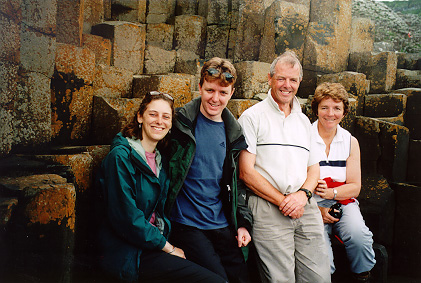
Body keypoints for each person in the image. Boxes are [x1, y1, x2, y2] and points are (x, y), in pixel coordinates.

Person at [96, 91, 226, 282]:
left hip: (154, 243)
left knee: (218, 273)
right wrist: (169, 248)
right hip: (130, 253)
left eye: (166, 117)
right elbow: (127, 218)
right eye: (153, 114)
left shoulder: (160, 160)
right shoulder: (121, 157)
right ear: (140, 116)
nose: (159, 121)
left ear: (171, 123)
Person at [238, 51, 331, 283]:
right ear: (269, 79)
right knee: (281, 279)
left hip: (304, 207)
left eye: (293, 80)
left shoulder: (304, 122)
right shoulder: (251, 117)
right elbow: (246, 172)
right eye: (281, 78)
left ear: (299, 82)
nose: (286, 85)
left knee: (319, 277)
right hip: (269, 206)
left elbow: (314, 169)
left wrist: (302, 195)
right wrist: (284, 201)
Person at [165, 57, 252, 283]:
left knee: (242, 277)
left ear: (231, 93)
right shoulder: (180, 123)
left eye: (223, 92)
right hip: (187, 223)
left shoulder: (233, 132)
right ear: (200, 87)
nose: (215, 98)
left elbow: (237, 183)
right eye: (210, 90)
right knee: (218, 279)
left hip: (221, 222)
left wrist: (243, 223)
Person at [311, 82, 376, 281]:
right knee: (322, 255)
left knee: (359, 237)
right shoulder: (304, 137)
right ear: (316, 110)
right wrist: (317, 210)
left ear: (344, 112)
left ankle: (363, 275)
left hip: (343, 200)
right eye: (325, 107)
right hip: (311, 204)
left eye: (337, 108)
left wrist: (332, 194)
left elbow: (355, 187)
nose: (330, 114)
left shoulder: (350, 141)